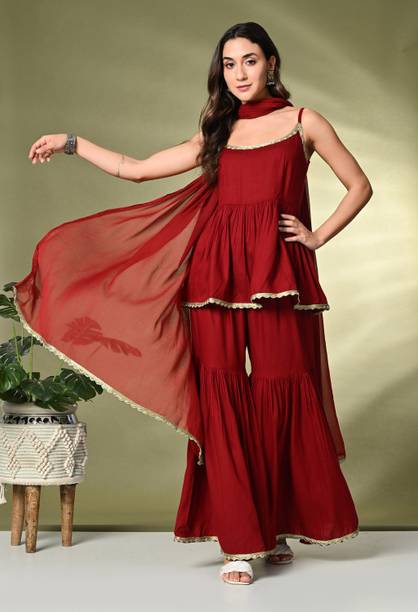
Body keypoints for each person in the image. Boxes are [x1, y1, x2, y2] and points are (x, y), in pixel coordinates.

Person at [19, 22, 372, 585]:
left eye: (250, 60)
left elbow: (359, 185)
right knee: (223, 401)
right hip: (212, 281)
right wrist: (72, 142)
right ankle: (241, 541)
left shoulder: (304, 122)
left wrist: (316, 236)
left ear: (272, 63)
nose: (239, 73)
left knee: (280, 392)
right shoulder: (217, 129)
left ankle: (279, 523)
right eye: (229, 64)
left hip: (277, 279)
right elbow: (135, 169)